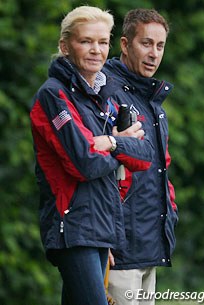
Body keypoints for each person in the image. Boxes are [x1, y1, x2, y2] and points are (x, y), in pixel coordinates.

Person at [29, 6, 154, 305]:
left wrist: (109, 142)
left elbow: (144, 157)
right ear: (65, 46)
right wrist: (118, 147)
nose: (96, 50)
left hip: (101, 229)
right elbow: (83, 163)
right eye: (86, 41)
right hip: (73, 228)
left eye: (102, 41)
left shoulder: (104, 96)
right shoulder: (53, 94)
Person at [101, 8, 178, 305]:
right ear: (124, 44)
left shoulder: (153, 102)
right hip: (118, 248)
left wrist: (170, 211)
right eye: (146, 43)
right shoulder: (104, 90)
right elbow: (93, 168)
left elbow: (162, 169)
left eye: (160, 46)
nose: (154, 54)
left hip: (150, 243)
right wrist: (100, 239)